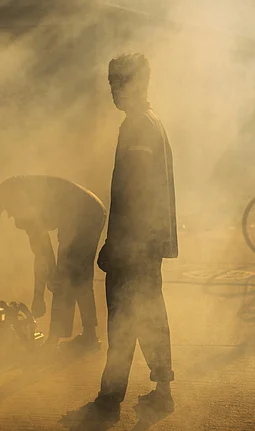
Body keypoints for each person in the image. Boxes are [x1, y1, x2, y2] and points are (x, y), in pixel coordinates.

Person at [92, 53, 179, 417]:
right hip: (147, 240)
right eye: (112, 83)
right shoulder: (148, 121)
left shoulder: (138, 126)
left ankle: (111, 396)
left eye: (121, 82)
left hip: (135, 241)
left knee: (123, 316)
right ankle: (161, 387)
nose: (115, 90)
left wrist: (116, 242)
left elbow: (135, 191)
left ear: (140, 84)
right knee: (148, 311)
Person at [0, 176, 106, 351]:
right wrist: (40, 294)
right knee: (79, 277)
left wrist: (40, 294)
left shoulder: (15, 198)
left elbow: (43, 252)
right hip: (91, 209)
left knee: (64, 276)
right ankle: (89, 337)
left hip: (82, 215)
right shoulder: (11, 192)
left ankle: (53, 343)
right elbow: (42, 253)